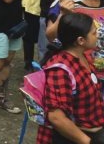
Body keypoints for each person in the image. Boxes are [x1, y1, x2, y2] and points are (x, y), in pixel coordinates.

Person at [36, 13, 104, 144]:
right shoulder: (60, 70)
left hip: (94, 131)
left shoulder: (83, 57)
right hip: (78, 137)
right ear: (80, 41)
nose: (98, 36)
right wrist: (87, 141)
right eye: (94, 33)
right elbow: (56, 118)